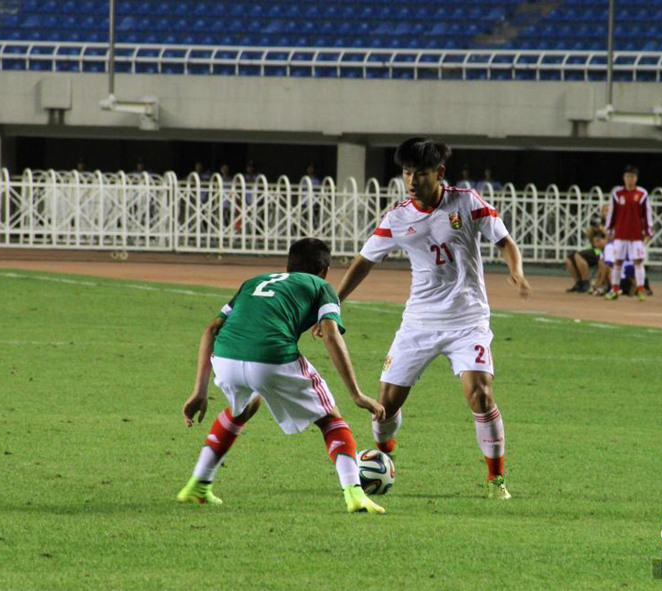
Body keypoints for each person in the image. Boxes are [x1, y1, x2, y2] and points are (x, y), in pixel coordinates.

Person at [326, 137, 531, 500]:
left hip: (468, 319)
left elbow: (504, 241)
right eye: (406, 173)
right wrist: (335, 302)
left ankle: (496, 480)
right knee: (384, 407)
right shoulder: (398, 217)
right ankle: (384, 458)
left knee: (480, 394)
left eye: (418, 173)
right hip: (419, 322)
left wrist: (515, 269)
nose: (411, 180)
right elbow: (363, 262)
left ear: (439, 173)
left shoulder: (466, 202)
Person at [177, 238, 387, 514]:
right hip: (270, 357)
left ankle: (197, 485)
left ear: (288, 266)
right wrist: (356, 394)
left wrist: (199, 390)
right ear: (324, 272)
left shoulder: (254, 281)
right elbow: (331, 334)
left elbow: (211, 329)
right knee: (330, 419)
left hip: (226, 357)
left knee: (246, 406)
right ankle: (354, 493)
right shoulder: (322, 286)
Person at [604, 165, 652, 301]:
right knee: (617, 262)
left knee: (638, 261)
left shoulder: (642, 194)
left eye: (632, 177)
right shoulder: (617, 194)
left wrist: (648, 230)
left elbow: (647, 213)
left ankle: (641, 289)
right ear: (623, 178)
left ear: (636, 179)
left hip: (636, 234)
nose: (629, 179)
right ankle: (614, 289)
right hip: (621, 233)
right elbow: (612, 213)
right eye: (627, 177)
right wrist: (609, 229)